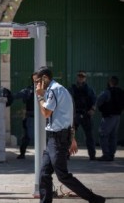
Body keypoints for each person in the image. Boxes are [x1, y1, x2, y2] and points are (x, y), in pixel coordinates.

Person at [35, 66, 105, 203]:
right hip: (54, 138)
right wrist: (71, 138)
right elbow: (69, 115)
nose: (36, 85)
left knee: (62, 175)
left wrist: (39, 97)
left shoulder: (53, 91)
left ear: (45, 78)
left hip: (58, 140)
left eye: (38, 81)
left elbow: (46, 113)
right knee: (44, 173)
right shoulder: (60, 89)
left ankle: (94, 199)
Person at [69, 71, 97, 160]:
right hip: (75, 114)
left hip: (86, 114)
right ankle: (66, 154)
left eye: (83, 77)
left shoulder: (89, 89)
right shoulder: (72, 88)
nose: (81, 78)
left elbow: (94, 100)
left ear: (85, 78)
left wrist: (92, 109)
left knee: (89, 136)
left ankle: (92, 155)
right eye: (79, 76)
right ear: (77, 77)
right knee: (70, 135)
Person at [96, 76, 124, 161]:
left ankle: (106, 155)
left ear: (110, 82)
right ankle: (111, 154)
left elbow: (98, 101)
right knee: (113, 136)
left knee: (103, 135)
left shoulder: (107, 92)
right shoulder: (121, 91)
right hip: (117, 116)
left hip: (108, 117)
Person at [14, 72, 37, 159]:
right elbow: (18, 95)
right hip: (31, 117)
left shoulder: (46, 90)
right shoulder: (29, 90)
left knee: (47, 137)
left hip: (43, 117)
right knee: (27, 136)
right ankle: (22, 153)